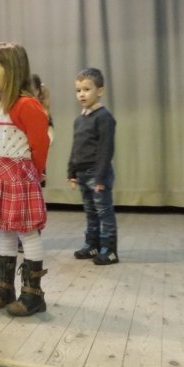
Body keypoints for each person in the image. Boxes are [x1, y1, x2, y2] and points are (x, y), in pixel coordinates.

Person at [0, 42, 49, 317]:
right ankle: (5, 286)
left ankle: (33, 293)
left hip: (19, 178)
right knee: (4, 229)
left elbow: (39, 143)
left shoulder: (26, 105)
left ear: (13, 70)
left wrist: (34, 174)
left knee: (26, 232)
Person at [66, 68, 119, 265]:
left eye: (87, 89)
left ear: (100, 91)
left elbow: (106, 149)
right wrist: (71, 171)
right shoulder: (79, 120)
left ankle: (109, 250)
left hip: (97, 173)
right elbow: (76, 147)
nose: (82, 94)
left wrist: (100, 177)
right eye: (78, 90)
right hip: (81, 173)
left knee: (104, 212)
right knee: (90, 212)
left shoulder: (104, 117)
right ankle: (92, 245)